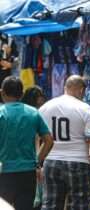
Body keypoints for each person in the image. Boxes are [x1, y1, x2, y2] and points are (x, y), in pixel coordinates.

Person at [39, 75, 90, 210]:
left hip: (51, 162)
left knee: (50, 204)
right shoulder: (84, 109)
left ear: (65, 88)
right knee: (79, 204)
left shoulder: (45, 107)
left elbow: (37, 137)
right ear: (81, 90)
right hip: (78, 162)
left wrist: (38, 162)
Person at [0, 76, 53, 210]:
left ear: (2, 92)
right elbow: (49, 141)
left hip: (4, 172)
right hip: (28, 172)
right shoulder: (33, 113)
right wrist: (37, 161)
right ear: (22, 94)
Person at [21, 85, 46, 210]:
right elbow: (37, 141)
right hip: (31, 159)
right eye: (40, 97)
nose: (43, 99)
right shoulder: (35, 114)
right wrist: (38, 164)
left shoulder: (23, 112)